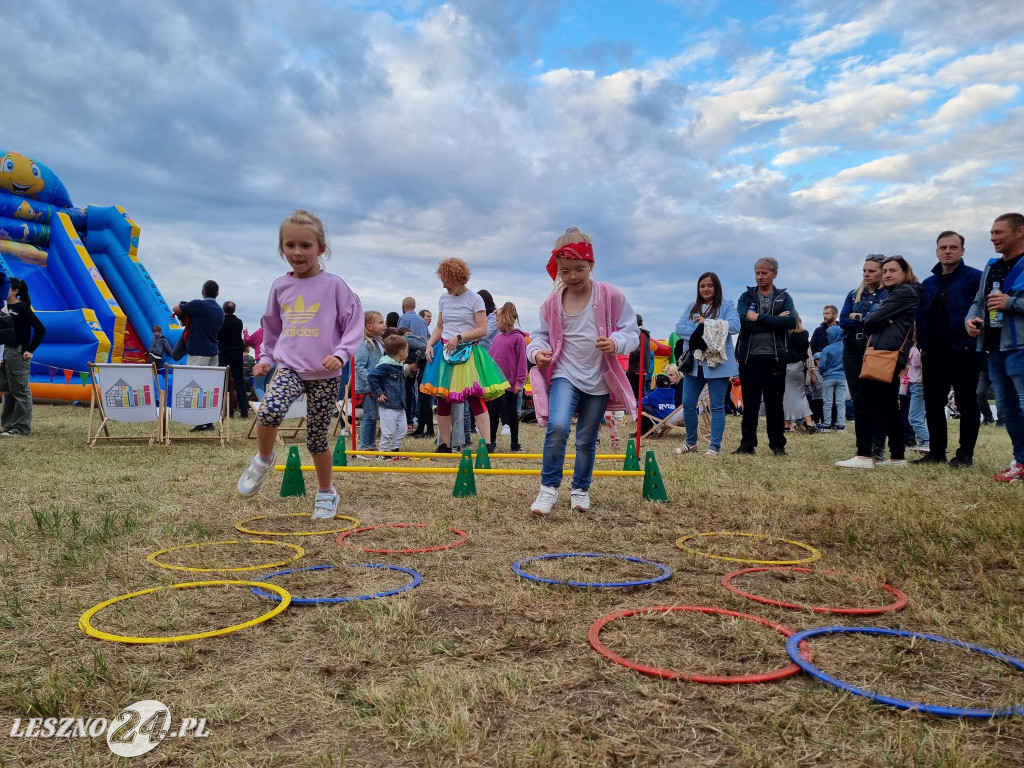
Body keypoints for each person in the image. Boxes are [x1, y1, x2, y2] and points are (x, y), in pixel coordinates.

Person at [236, 210, 363, 518]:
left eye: (305, 245)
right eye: (290, 245)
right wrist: (265, 358)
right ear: (282, 248)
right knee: (269, 411)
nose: (297, 252)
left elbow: (353, 323)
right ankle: (264, 458)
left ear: (320, 248)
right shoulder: (280, 287)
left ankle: (325, 492)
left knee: (317, 438)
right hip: (289, 367)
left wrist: (342, 353)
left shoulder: (334, 286)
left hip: (325, 373)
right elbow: (272, 327)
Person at [527, 227, 639, 516]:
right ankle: (548, 489)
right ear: (557, 272)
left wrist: (616, 343)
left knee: (587, 438)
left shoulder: (610, 295)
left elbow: (632, 332)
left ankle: (580, 489)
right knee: (559, 426)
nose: (573, 276)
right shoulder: (551, 303)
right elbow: (539, 337)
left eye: (580, 268)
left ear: (591, 265)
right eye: (566, 271)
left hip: (599, 378)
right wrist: (537, 352)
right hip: (565, 372)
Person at [837, 256, 922, 469]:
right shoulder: (899, 293)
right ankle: (897, 456)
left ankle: (863, 455)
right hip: (889, 353)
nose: (887, 275)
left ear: (905, 273)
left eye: (892, 270)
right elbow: (860, 319)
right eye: (885, 271)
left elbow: (871, 320)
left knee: (863, 401)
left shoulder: (903, 292)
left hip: (886, 353)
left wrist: (871, 318)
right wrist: (875, 318)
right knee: (888, 406)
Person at [420, 258, 507, 453]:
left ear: (458, 278)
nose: (444, 285)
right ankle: (444, 444)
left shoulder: (475, 299)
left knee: (474, 397)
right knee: (442, 398)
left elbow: (483, 329)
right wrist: (429, 344)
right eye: (442, 281)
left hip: (468, 353)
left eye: (447, 281)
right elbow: (440, 326)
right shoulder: (443, 299)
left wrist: (459, 337)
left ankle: (487, 443)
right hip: (446, 353)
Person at [913, 230, 983, 468]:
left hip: (965, 349)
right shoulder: (928, 283)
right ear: (937, 251)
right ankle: (936, 451)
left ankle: (965, 454)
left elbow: (983, 310)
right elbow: (920, 316)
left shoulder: (976, 278)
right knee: (933, 402)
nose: (948, 251)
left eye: (953, 247)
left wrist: (974, 342)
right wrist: (922, 345)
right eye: (943, 248)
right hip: (933, 350)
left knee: (966, 402)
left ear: (962, 250)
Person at [966, 212, 1024, 482]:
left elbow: (1007, 302)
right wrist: (971, 319)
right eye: (991, 233)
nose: (992, 238)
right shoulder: (991, 266)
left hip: (1021, 348)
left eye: (999, 232)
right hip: (994, 349)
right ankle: (1021, 461)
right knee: (1008, 408)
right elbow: (979, 301)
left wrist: (1010, 303)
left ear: (1020, 232)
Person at [733, 257, 797, 456]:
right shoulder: (746, 296)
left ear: (774, 274)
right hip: (749, 357)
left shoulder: (784, 297)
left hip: (775, 357)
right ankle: (747, 444)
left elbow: (791, 323)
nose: (760, 277)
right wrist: (776, 320)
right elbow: (742, 322)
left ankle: (778, 445)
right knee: (750, 403)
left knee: (774, 403)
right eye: (757, 273)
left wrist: (759, 318)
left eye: (764, 273)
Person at [673, 271, 740, 457]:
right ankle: (691, 443)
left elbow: (734, 326)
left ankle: (714, 446)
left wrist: (707, 323)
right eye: (702, 286)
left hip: (717, 364)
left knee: (717, 406)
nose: (705, 289)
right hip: (694, 364)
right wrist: (704, 333)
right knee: (687, 404)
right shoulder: (691, 306)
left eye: (709, 285)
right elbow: (680, 328)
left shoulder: (727, 305)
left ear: (716, 287)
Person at [840, 255, 890, 459]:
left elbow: (879, 320)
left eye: (872, 270)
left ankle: (878, 446)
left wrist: (860, 317)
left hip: (875, 347)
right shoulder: (854, 294)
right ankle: (863, 445)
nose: (867, 274)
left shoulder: (888, 294)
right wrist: (867, 317)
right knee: (859, 398)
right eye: (864, 270)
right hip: (852, 346)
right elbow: (843, 320)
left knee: (876, 398)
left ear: (882, 272)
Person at [172, 280, 225, 431]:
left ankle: (199, 421)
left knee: (194, 386)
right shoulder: (219, 311)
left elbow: (176, 308)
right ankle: (208, 421)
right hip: (213, 352)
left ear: (203, 292)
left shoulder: (198, 305)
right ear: (218, 293)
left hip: (198, 352)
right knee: (208, 388)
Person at [0, 277, 46, 436]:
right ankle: (7, 426)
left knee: (20, 390)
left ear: (15, 291)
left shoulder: (22, 308)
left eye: (4, 287)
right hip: (6, 352)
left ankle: (20, 428)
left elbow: (40, 329)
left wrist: (30, 349)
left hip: (18, 352)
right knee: (7, 390)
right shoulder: (3, 307)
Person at [486, 301, 527, 452]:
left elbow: (522, 362)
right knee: (493, 414)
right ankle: (491, 442)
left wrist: (519, 382)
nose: (496, 324)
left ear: (505, 319)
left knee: (511, 414)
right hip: (497, 384)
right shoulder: (497, 339)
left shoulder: (519, 339)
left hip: (511, 384)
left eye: (497, 320)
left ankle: (515, 443)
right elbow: (491, 360)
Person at [367, 334, 409, 460]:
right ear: (401, 352)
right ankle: (383, 453)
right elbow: (371, 376)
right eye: (407, 350)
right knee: (388, 431)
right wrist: (378, 392)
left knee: (403, 429)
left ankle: (395, 450)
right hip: (388, 405)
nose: (408, 353)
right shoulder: (385, 366)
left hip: (400, 405)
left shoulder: (399, 365)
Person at [354, 311, 386, 455]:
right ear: (369, 325)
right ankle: (364, 446)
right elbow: (359, 365)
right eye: (380, 322)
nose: (384, 325)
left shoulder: (379, 342)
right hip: (367, 387)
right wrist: (372, 381)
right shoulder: (365, 343)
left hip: (376, 386)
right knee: (370, 416)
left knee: (373, 416)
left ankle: (371, 444)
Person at [782, 316, 816, 433]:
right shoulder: (804, 333)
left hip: (784, 365)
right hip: (798, 365)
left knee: (786, 395)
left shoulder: (783, 333)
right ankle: (809, 423)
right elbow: (806, 351)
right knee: (801, 395)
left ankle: (787, 424)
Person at [218, 301, 249, 419]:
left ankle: (229, 410)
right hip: (237, 355)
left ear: (223, 309)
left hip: (223, 354)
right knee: (239, 383)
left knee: (226, 384)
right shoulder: (239, 322)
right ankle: (244, 410)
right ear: (234, 310)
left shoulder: (220, 321)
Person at [816, 325, 846, 431]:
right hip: (842, 377)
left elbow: (822, 365)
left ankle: (827, 425)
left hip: (828, 377)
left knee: (828, 402)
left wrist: (822, 372)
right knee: (841, 402)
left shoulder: (827, 349)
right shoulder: (845, 347)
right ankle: (841, 426)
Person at [626, 314, 653, 401]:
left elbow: (638, 350)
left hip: (636, 367)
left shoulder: (641, 334)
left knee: (636, 391)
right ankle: (638, 407)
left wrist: (628, 356)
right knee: (638, 390)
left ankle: (637, 408)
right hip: (639, 367)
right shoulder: (644, 334)